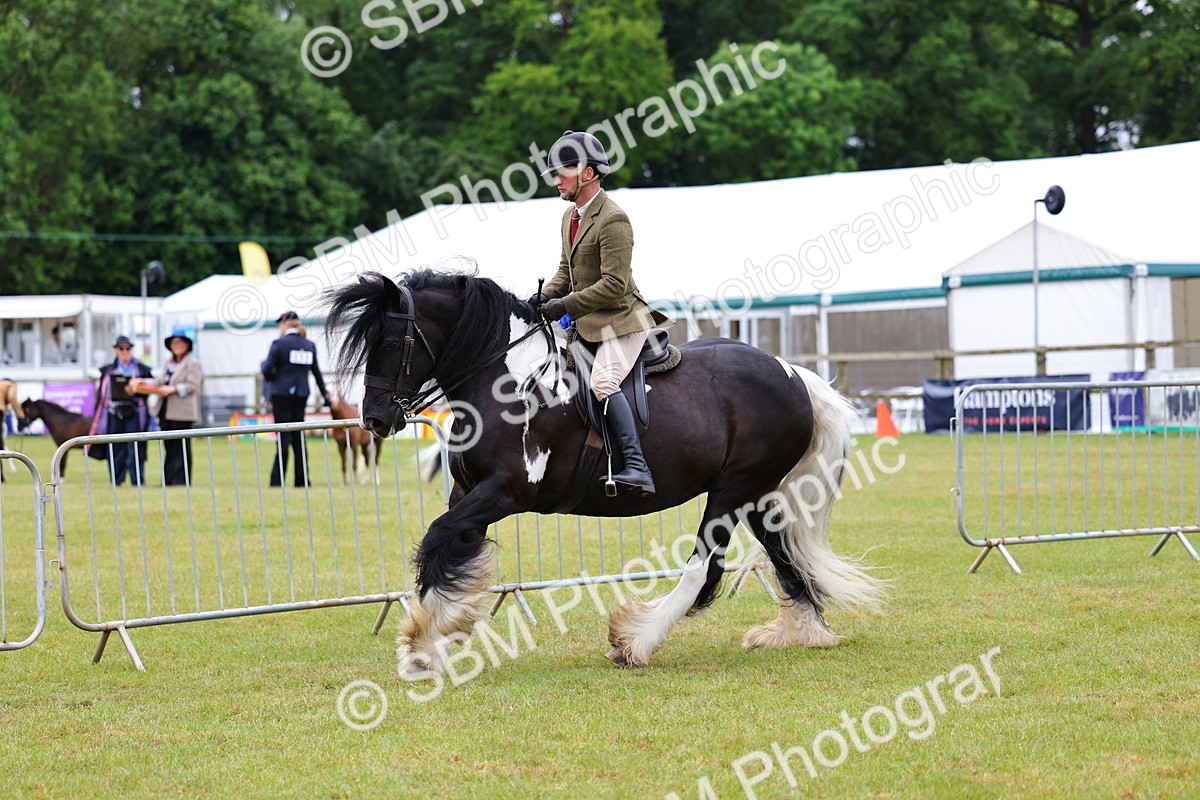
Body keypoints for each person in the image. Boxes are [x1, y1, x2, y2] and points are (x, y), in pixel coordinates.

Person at [529, 130, 669, 496]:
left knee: (603, 383)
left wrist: (566, 305)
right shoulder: (568, 216)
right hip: (588, 323)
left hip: (623, 321)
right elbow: (565, 272)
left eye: (562, 172)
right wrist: (537, 299)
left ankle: (638, 467)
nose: (556, 180)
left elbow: (614, 284)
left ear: (587, 173)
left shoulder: (614, 219)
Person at [260, 311, 330, 487]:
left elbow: (267, 370)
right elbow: (316, 373)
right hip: (301, 394)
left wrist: (267, 367)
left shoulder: (278, 344)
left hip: (281, 395)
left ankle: (277, 481)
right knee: (299, 437)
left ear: (285, 325)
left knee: (283, 438)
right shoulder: (309, 345)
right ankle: (302, 480)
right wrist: (326, 396)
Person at [132, 330, 203, 486]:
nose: (177, 346)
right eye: (174, 343)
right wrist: (142, 384)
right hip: (165, 410)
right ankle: (169, 480)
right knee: (169, 446)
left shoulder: (193, 363)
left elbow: (193, 385)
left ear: (187, 345)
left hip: (182, 412)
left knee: (181, 447)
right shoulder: (169, 363)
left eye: (180, 343)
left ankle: (181, 480)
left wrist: (174, 389)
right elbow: (158, 382)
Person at [96, 336, 153, 486]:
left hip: (134, 412)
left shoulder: (140, 368)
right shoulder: (108, 369)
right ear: (116, 350)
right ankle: (117, 480)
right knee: (115, 447)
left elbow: (151, 386)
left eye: (128, 348)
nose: (125, 351)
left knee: (135, 447)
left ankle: (137, 481)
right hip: (114, 412)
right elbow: (102, 393)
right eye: (121, 348)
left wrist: (138, 386)